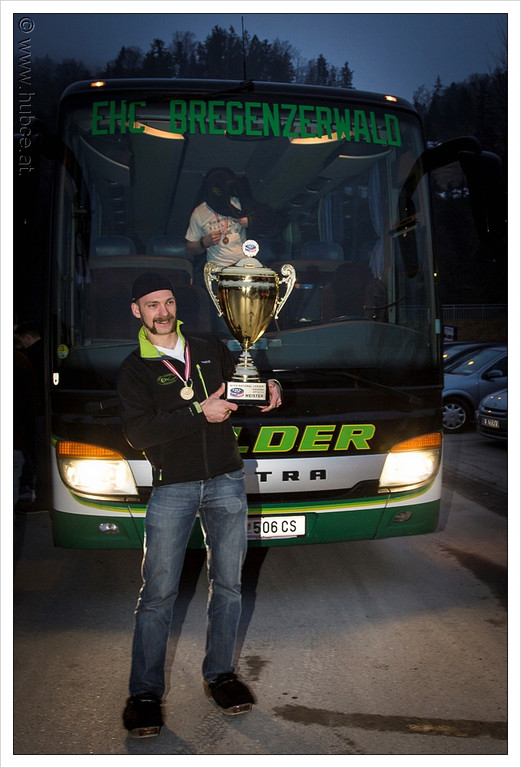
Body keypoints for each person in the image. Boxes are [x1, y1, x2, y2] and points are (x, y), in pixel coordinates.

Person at [117, 271, 282, 739]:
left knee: (228, 585)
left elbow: (242, 385)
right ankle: (144, 694)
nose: (163, 312)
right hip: (173, 488)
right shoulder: (135, 368)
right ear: (137, 310)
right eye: (153, 304)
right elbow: (139, 433)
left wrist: (269, 387)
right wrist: (198, 412)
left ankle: (221, 675)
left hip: (226, 480)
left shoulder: (209, 347)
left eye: (168, 302)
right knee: (158, 594)